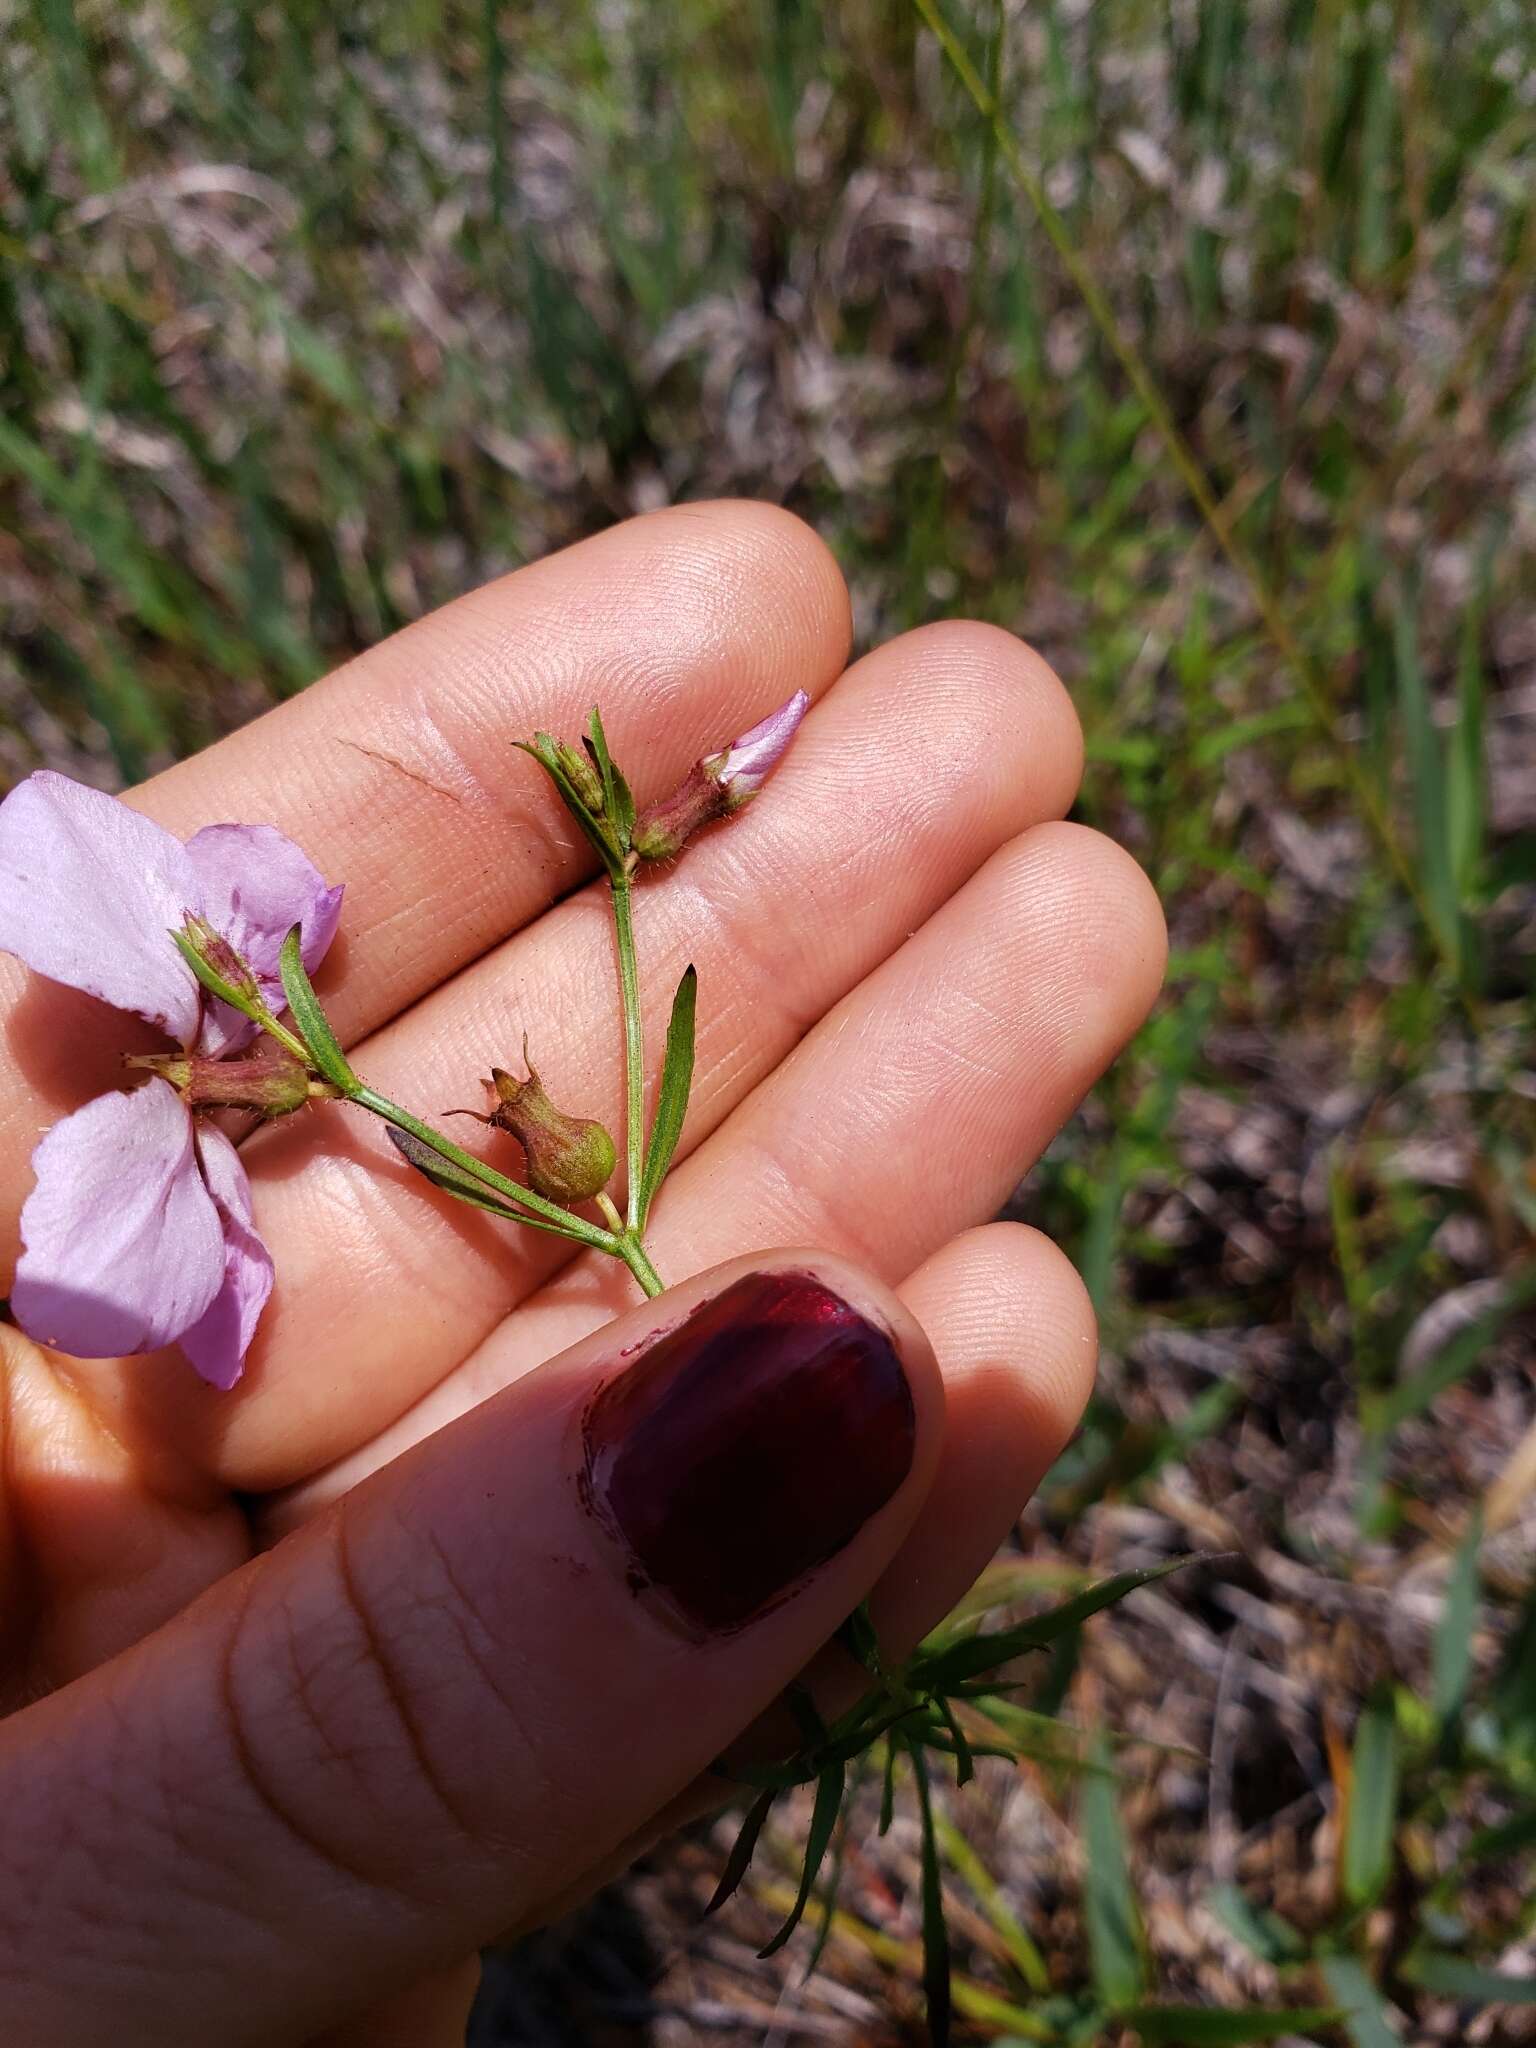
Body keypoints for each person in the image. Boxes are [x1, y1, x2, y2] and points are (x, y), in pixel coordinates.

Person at [0, 502, 1165, 2045]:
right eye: (235, 1020)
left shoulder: (272, 1077)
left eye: (243, 1012)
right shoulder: (235, 1112)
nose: (249, 1037)